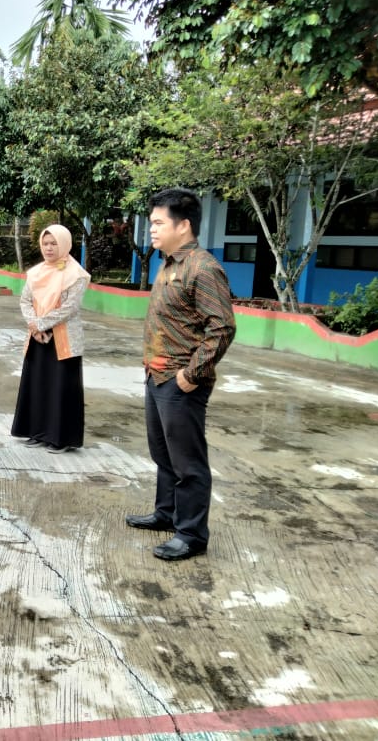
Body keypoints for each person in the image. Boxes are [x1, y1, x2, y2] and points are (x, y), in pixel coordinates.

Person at [125, 188, 236, 561]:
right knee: (163, 454)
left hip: (181, 382)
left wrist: (191, 374)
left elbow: (221, 327)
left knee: (188, 462)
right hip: (156, 376)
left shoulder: (202, 268)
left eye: (159, 223)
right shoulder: (169, 264)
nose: (152, 230)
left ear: (183, 225)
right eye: (152, 223)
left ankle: (191, 534)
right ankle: (167, 513)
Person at [10, 224, 91, 454]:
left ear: (64, 244)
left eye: (54, 243)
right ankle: (36, 432)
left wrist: (40, 324)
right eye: (45, 243)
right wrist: (34, 325)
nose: (48, 248)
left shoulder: (76, 274)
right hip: (38, 338)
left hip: (63, 340)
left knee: (60, 389)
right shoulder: (36, 273)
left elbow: (70, 308)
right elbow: (25, 301)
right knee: (37, 386)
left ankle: (61, 439)